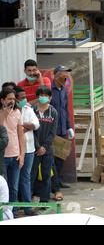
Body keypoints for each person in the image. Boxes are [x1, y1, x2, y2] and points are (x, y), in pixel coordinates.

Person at [30, 86, 58, 203]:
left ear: (50, 98)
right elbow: (31, 131)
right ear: (37, 97)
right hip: (33, 148)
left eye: (46, 95)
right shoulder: (32, 111)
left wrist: (45, 147)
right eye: (41, 95)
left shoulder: (53, 112)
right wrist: (37, 146)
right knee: (31, 174)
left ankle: (44, 200)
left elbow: (53, 132)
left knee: (46, 174)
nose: (43, 98)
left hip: (47, 149)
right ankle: (28, 199)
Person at [50, 65, 74, 193]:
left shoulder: (63, 90)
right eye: (63, 74)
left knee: (61, 157)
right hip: (52, 129)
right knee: (51, 158)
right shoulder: (50, 89)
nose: (66, 76)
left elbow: (65, 109)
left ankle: (58, 181)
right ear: (56, 75)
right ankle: (53, 185)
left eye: (67, 74)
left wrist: (69, 127)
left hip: (63, 128)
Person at [15, 87, 39, 216]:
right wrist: (26, 126)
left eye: (25, 97)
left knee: (25, 178)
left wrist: (23, 126)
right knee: (13, 180)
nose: (24, 100)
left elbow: (36, 124)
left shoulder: (28, 109)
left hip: (29, 149)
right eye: (21, 97)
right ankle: (13, 207)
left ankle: (27, 207)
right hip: (14, 150)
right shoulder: (11, 112)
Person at [0, 88, 24, 211]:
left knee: (14, 187)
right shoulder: (1, 113)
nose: (12, 101)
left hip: (15, 155)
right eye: (9, 99)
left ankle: (12, 213)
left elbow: (20, 134)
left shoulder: (17, 113)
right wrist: (5, 112)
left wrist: (22, 155)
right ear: (2, 100)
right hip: (2, 157)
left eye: (14, 99)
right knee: (3, 187)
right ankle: (3, 213)